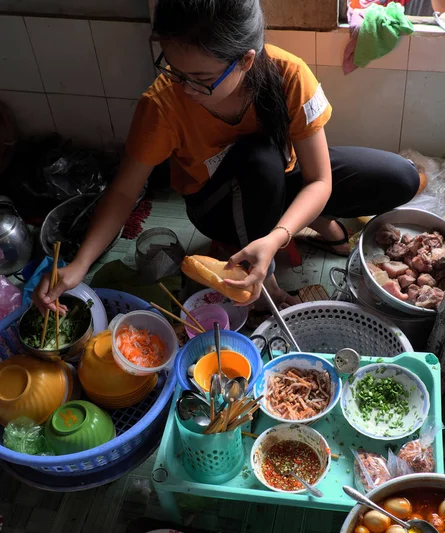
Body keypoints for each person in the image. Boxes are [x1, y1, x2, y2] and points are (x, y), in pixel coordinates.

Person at [33, 0, 420, 311]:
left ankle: (301, 220)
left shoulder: (289, 75)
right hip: (214, 203)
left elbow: (320, 178)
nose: (183, 87)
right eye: (173, 69)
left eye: (200, 79)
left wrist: (277, 237)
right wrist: (79, 264)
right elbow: (122, 193)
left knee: (400, 177)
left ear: (246, 60)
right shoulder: (162, 105)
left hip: (277, 177)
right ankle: (269, 262)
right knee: (261, 159)